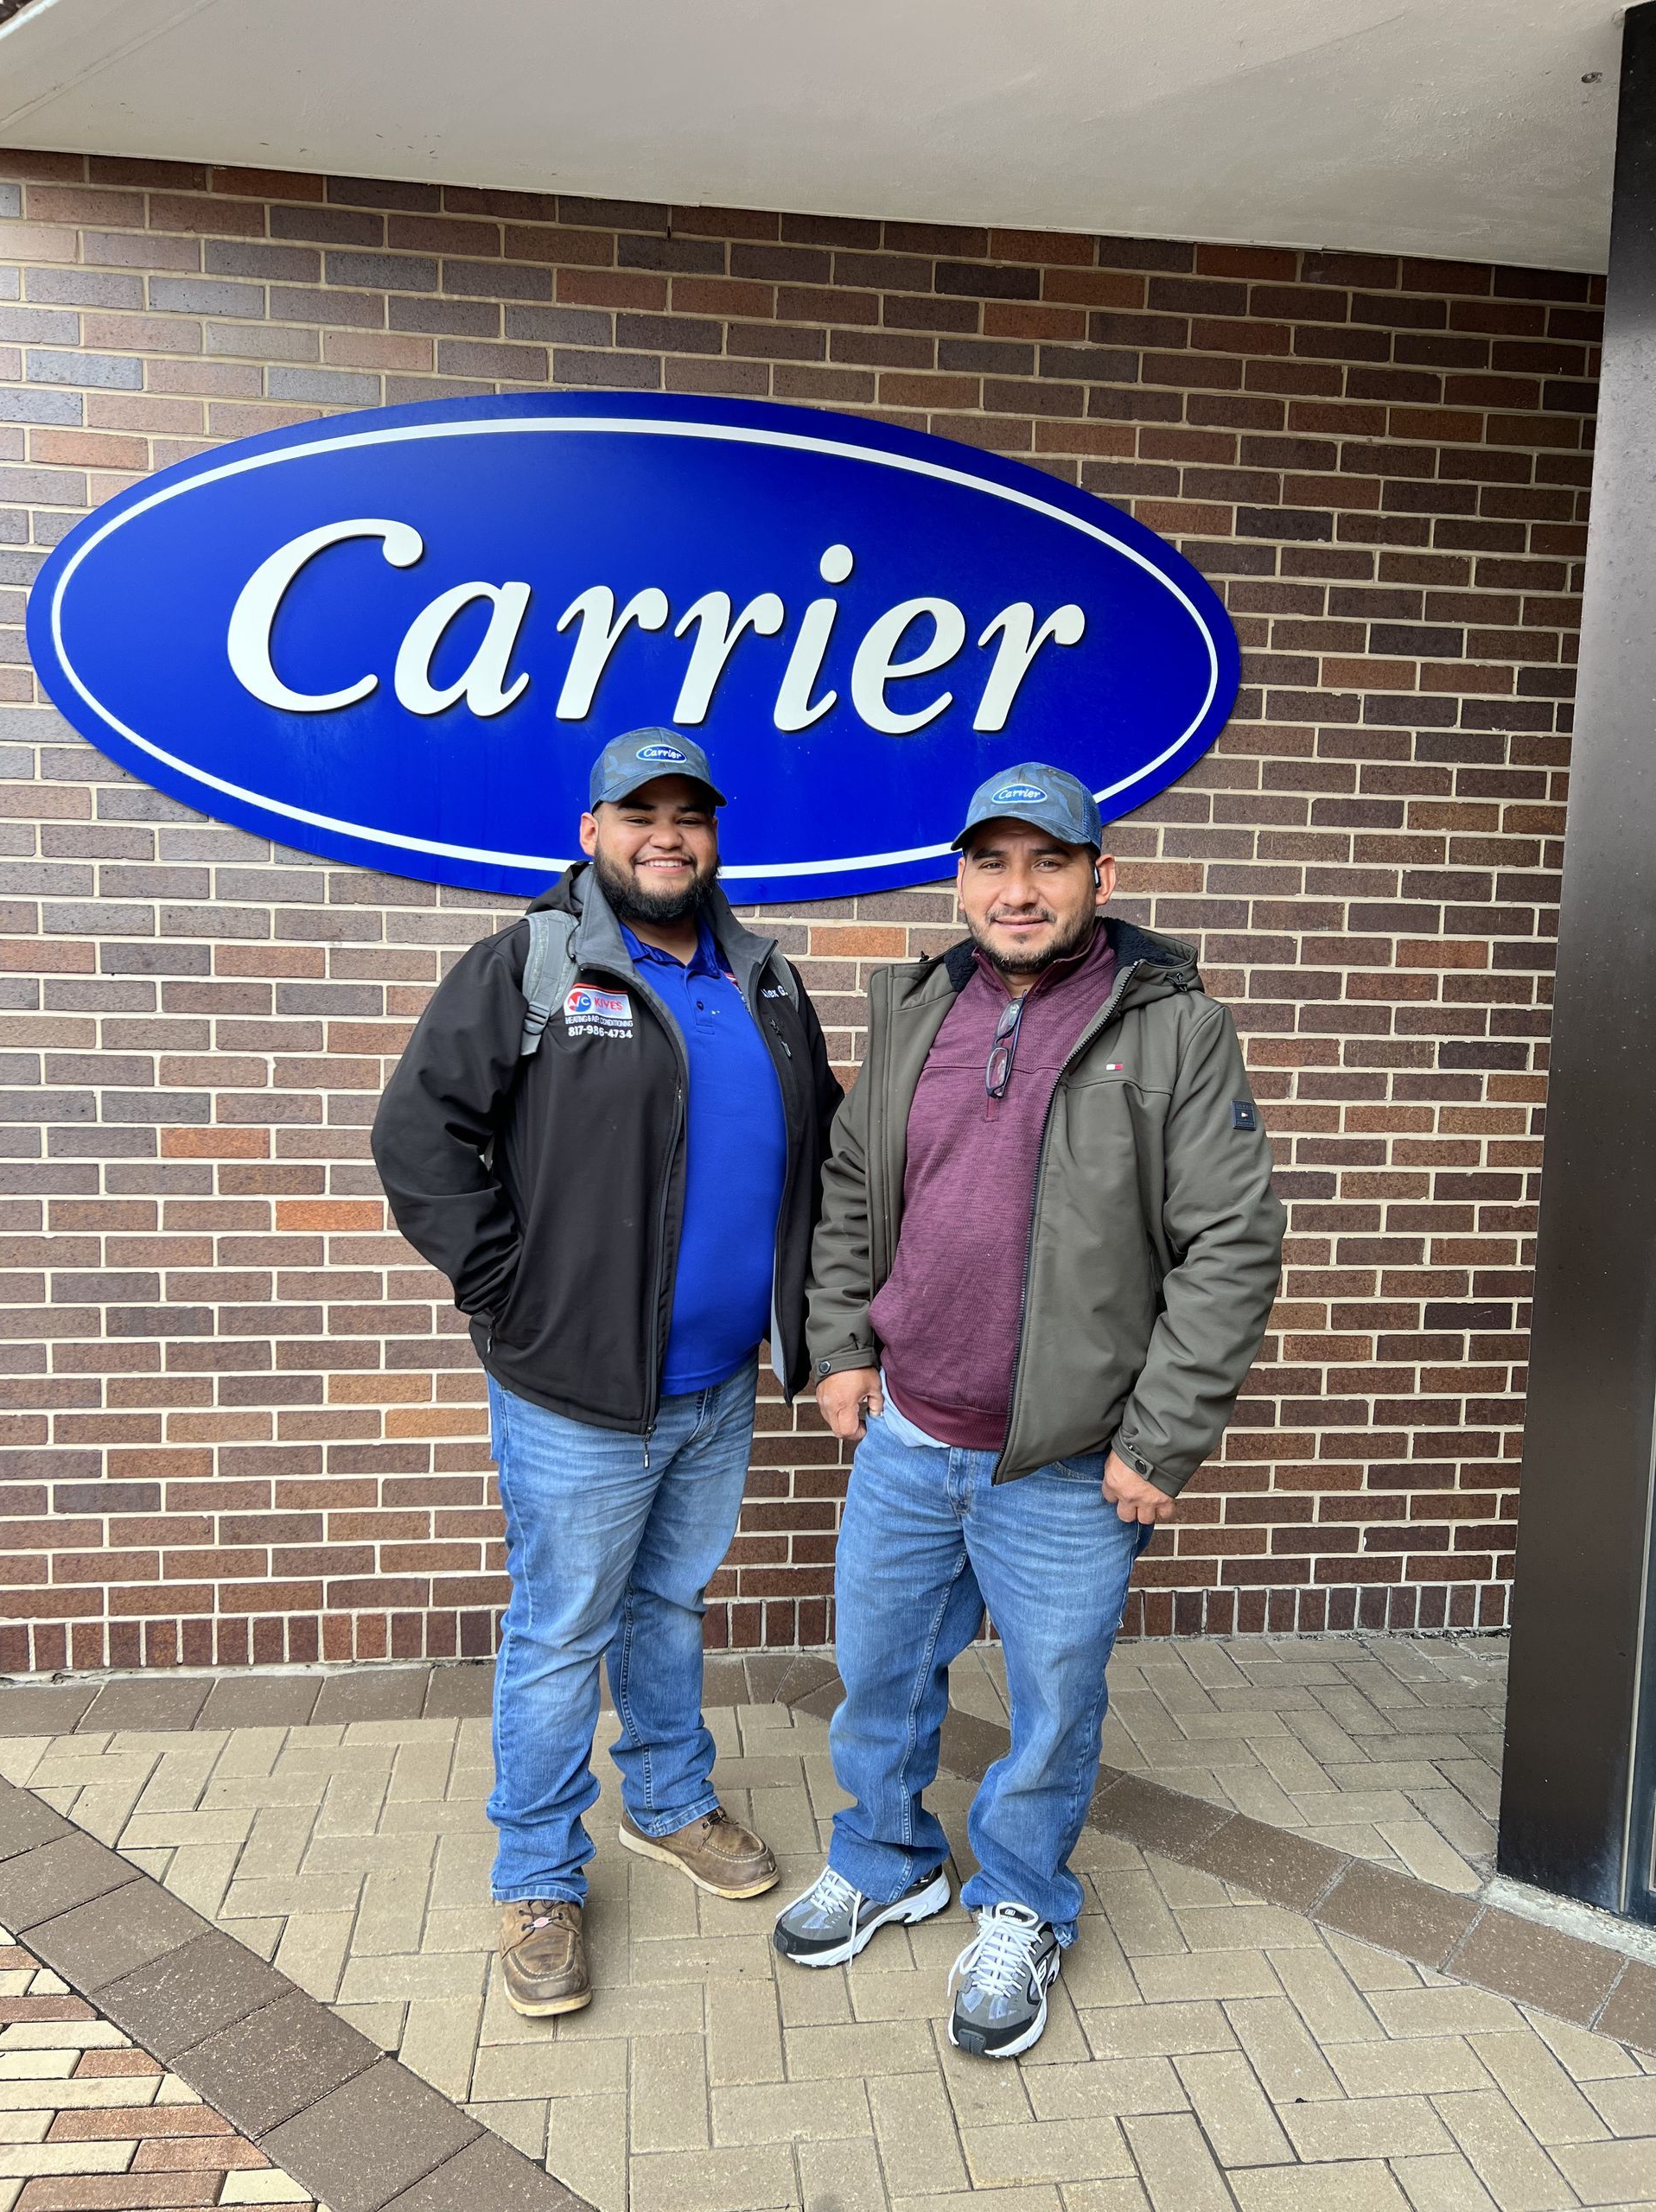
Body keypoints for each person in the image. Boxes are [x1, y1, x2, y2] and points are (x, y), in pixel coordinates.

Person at [774, 761, 1284, 2058]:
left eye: (1048, 862)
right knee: (880, 1674)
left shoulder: (1169, 1023)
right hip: (907, 1433)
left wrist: (1161, 1437)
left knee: (1053, 1703)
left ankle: (1020, 1898)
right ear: (960, 880)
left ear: (1099, 878)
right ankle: (888, 1859)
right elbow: (849, 1194)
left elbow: (1231, 1242)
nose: (1018, 890)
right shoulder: (917, 1010)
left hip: (1066, 1458)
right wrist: (840, 1350)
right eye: (992, 864)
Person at [372, 728, 840, 2019]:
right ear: (592, 832)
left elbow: (826, 1160)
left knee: (670, 1604)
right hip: (575, 1388)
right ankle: (537, 1876)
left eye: (690, 814)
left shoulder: (766, 980)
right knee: (558, 1631)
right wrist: (505, 1291)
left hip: (716, 1385)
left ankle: (673, 1806)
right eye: (640, 813)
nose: (667, 836)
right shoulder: (530, 966)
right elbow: (417, 1136)